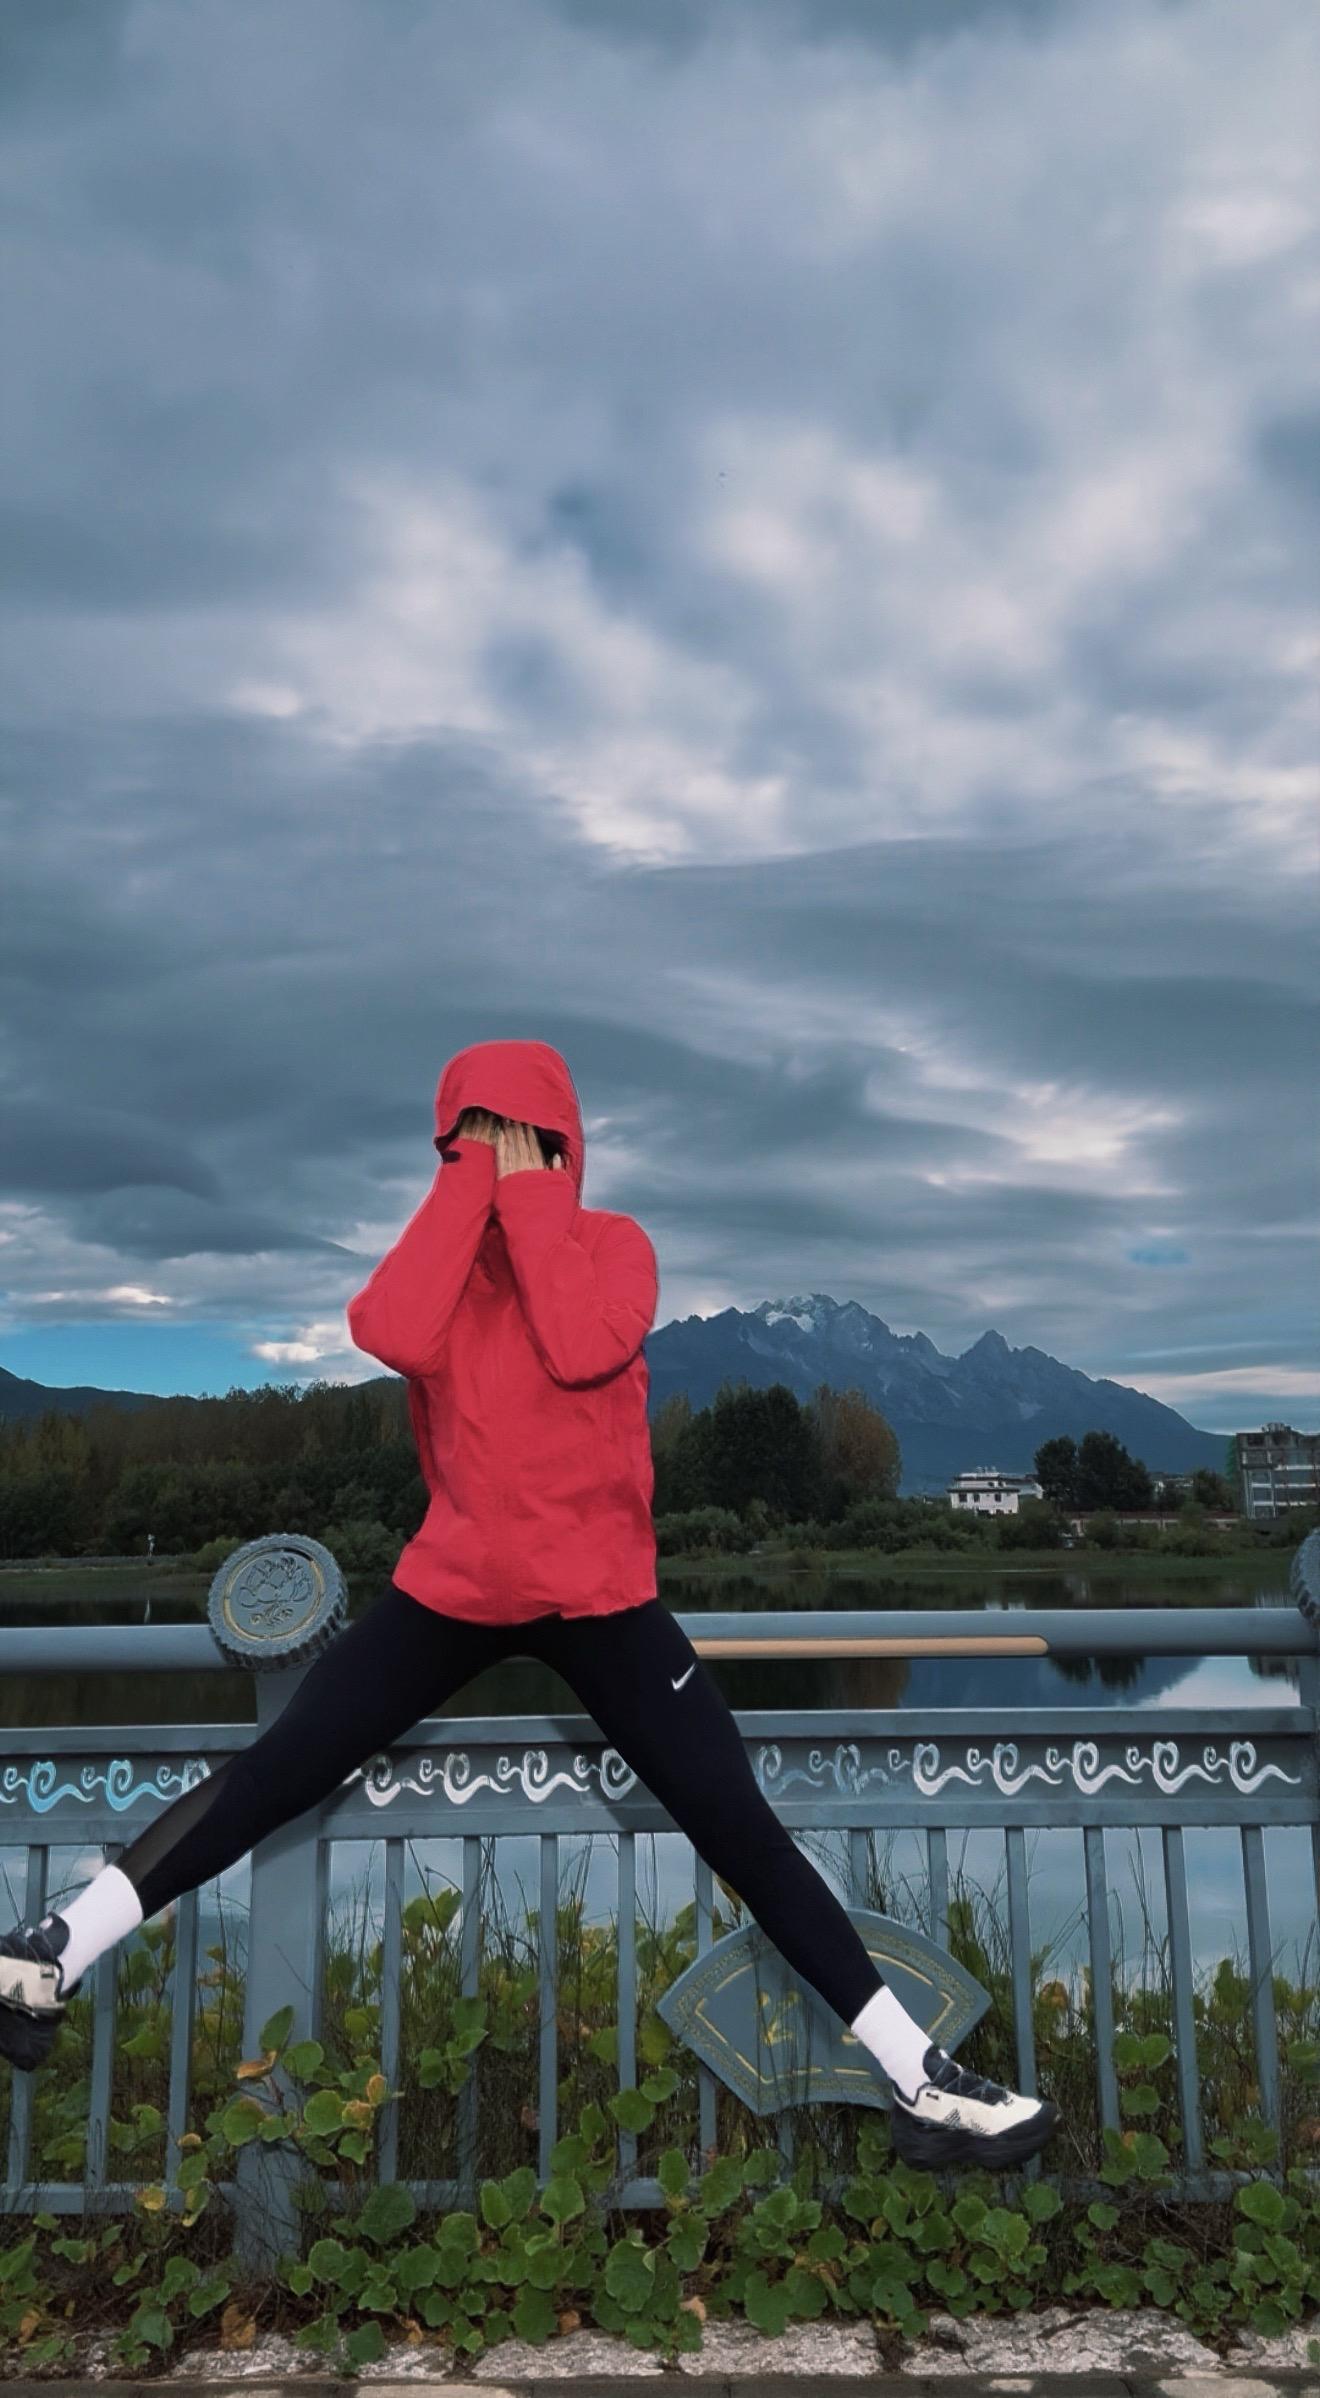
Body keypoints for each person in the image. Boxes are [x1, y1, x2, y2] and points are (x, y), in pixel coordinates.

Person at [1, 1039, 1056, 2170]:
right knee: (276, 1773)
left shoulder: (611, 1245)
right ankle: (47, 1951)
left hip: (600, 1599)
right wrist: (470, 1191)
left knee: (738, 1828)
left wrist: (533, 1198)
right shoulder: (446, 1273)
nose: (492, 1157)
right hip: (452, 1588)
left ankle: (917, 2079)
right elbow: (389, 1331)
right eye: (467, 1142)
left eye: (512, 1138)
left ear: (563, 1147)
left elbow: (580, 1343)